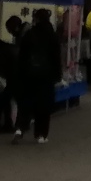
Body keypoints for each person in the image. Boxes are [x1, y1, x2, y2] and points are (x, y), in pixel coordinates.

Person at [13, 8, 63, 144]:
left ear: (37, 19)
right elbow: (56, 57)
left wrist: (21, 72)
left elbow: (22, 55)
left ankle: (20, 128)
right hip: (46, 76)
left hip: (29, 74)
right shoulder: (52, 36)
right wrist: (58, 75)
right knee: (43, 105)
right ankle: (41, 134)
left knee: (26, 101)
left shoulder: (30, 34)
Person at [0, 16, 22, 135]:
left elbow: (6, 69)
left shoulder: (5, 52)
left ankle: (8, 124)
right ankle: (9, 124)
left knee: (5, 99)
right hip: (16, 76)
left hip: (14, 77)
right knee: (8, 99)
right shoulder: (11, 48)